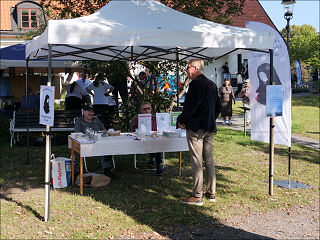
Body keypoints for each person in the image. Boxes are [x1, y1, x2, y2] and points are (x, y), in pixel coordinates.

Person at [177, 59, 222, 206]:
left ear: (195, 68)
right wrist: (211, 119)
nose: (186, 70)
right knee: (208, 160)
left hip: (196, 129)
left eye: (188, 67)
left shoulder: (195, 84)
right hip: (208, 127)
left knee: (196, 161)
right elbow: (218, 107)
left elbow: (191, 106)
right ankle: (211, 192)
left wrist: (181, 120)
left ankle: (197, 196)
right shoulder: (212, 84)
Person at [74, 105, 116, 179]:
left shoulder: (96, 119)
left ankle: (107, 169)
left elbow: (104, 131)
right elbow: (77, 134)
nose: (91, 113)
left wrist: (97, 133)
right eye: (89, 111)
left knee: (107, 145)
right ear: (83, 112)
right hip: (87, 142)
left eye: (92, 112)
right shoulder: (79, 121)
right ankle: (81, 167)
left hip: (99, 140)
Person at [132, 102, 163, 176]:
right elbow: (133, 129)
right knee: (155, 144)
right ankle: (158, 166)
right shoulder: (138, 118)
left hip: (154, 138)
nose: (147, 110)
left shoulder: (155, 118)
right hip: (142, 139)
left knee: (156, 143)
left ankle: (152, 160)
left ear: (151, 109)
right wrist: (139, 132)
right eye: (144, 109)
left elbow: (161, 128)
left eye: (148, 108)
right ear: (141, 111)